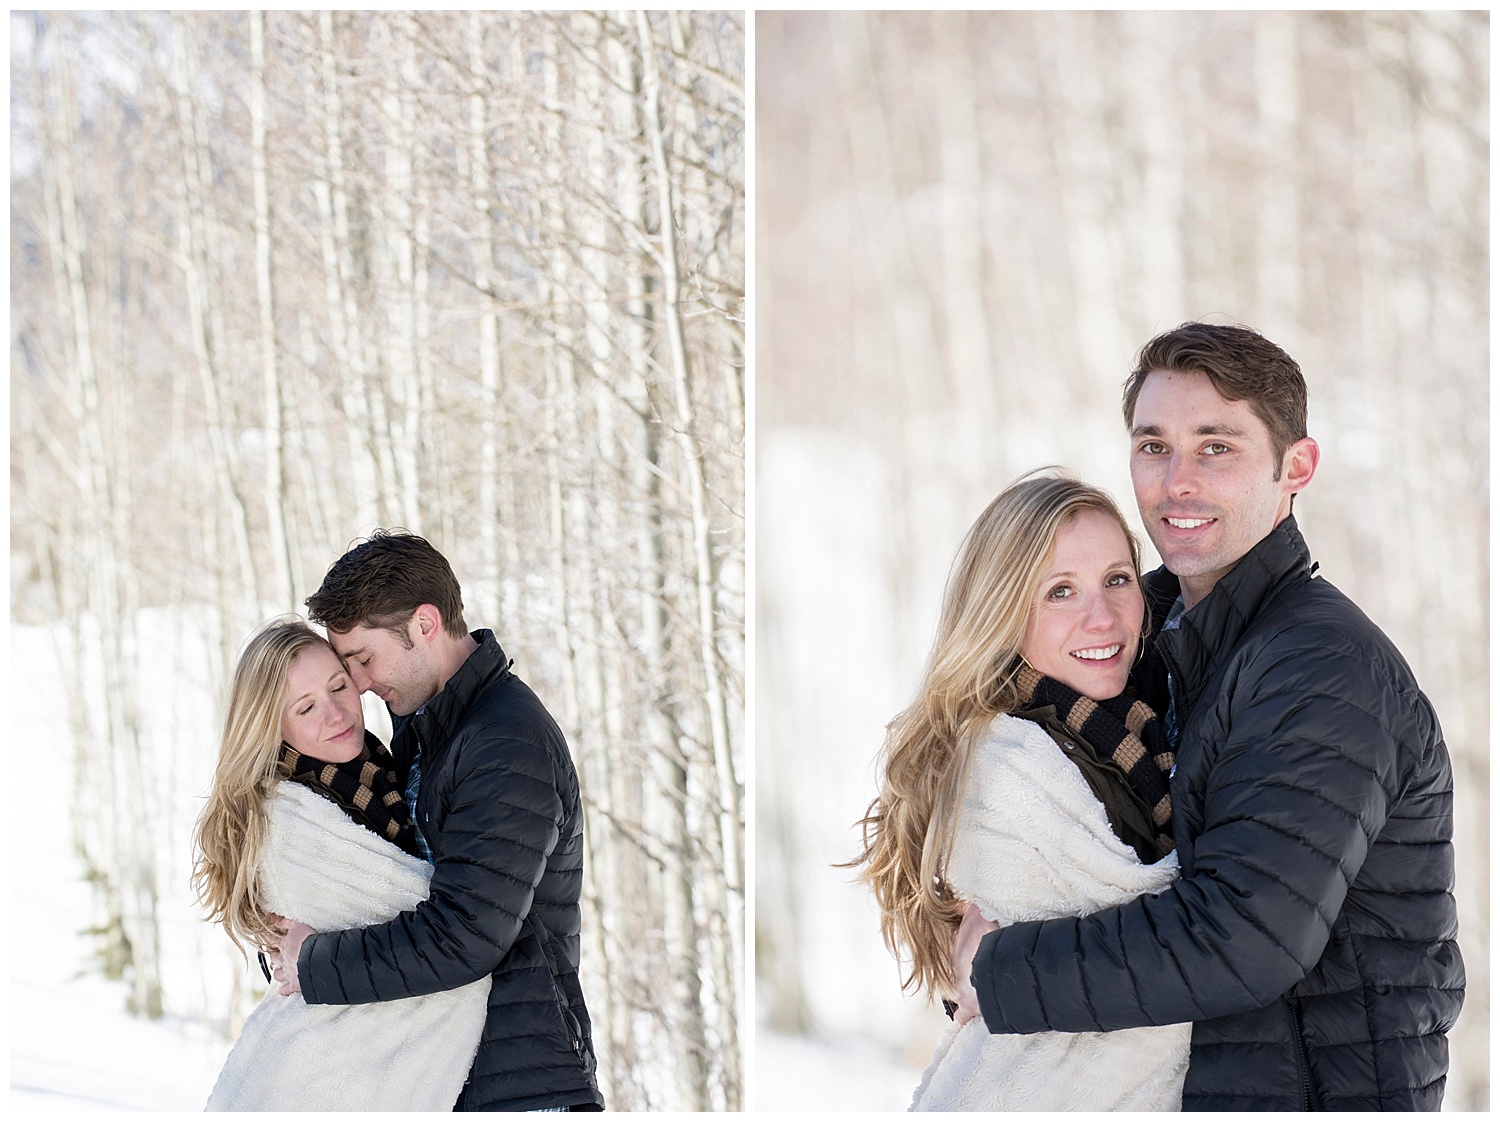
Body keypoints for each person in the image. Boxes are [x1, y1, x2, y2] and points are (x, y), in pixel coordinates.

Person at [951, 323, 1464, 1110]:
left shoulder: (1321, 668)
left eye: (1215, 447)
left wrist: (1004, 972)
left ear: (1297, 467)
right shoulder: (1140, 629)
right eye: (1154, 446)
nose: (1176, 481)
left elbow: (1241, 939)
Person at [849, 471, 1191, 1110]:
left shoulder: (1136, 730)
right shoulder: (1007, 770)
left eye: (1118, 580)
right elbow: (1197, 939)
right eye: (1060, 591)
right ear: (1002, 610)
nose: (1103, 616)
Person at [267, 531, 605, 1113]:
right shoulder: (424, 727)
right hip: (446, 1070)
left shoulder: (506, 742)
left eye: (365, 659)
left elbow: (464, 933)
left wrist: (314, 962)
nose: (363, 684)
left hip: (519, 1081)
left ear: (424, 625)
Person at [193, 619, 490, 1111]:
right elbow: (445, 926)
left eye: (339, 687)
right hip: (310, 1082)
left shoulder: (386, 770)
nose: (335, 713)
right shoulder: (286, 822)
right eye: (307, 708)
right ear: (273, 728)